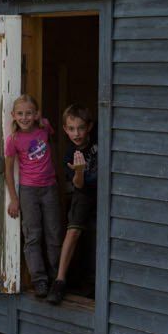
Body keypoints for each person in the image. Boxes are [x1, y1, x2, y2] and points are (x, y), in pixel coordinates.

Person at [4, 94, 62, 297]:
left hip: (50, 188)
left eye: (29, 113)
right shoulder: (13, 140)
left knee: (54, 234)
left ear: (37, 114)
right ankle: (39, 281)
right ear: (13, 115)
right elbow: (9, 170)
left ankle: (58, 278)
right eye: (20, 113)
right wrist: (14, 198)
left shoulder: (45, 127)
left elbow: (53, 148)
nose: (25, 117)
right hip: (28, 192)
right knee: (33, 236)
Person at [48, 104, 97, 305]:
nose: (76, 133)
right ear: (65, 129)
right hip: (84, 192)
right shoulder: (70, 154)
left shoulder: (99, 138)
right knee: (74, 231)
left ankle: (94, 282)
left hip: (107, 190)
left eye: (80, 128)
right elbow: (78, 184)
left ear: (89, 127)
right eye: (71, 129)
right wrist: (79, 170)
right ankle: (60, 280)